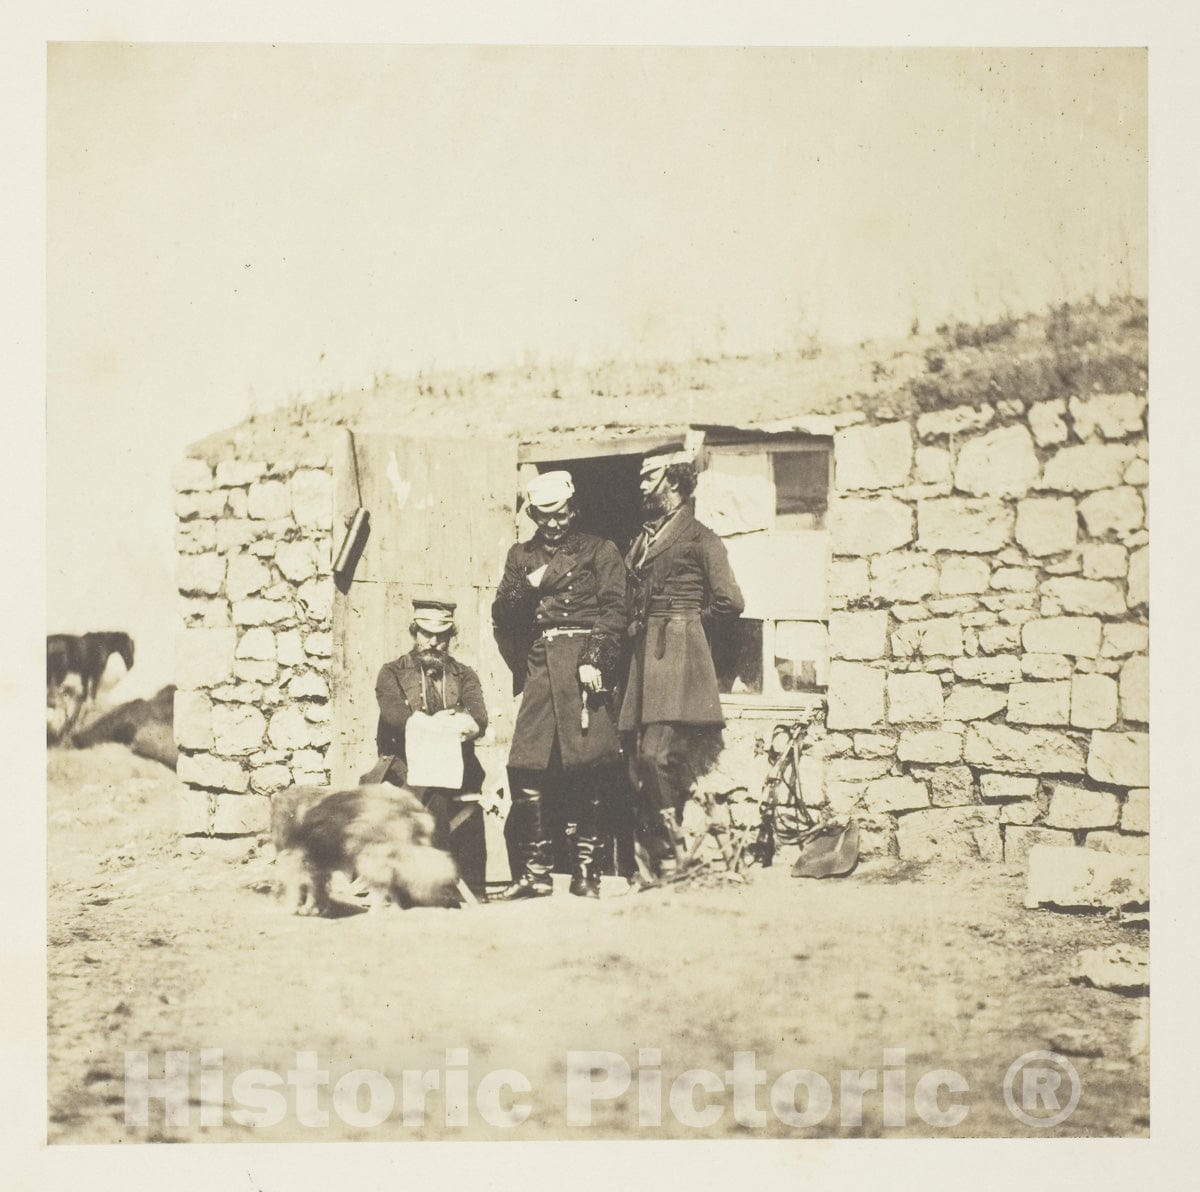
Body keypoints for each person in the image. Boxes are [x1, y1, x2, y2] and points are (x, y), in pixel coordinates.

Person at [491, 470, 626, 899]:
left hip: (585, 668)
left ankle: (588, 872)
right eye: (544, 517)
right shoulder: (520, 556)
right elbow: (503, 614)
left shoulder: (600, 550)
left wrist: (593, 659)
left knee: (589, 765)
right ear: (532, 514)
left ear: (573, 510)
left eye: (561, 515)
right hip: (541, 667)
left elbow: (614, 611)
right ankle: (536, 873)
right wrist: (531, 583)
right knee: (525, 766)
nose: (553, 524)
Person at [620, 447, 745, 880]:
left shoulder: (700, 538)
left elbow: (730, 602)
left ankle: (672, 854)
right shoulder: (644, 537)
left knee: (654, 757)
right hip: (643, 655)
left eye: (647, 477)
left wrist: (688, 626)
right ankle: (654, 859)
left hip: (675, 655)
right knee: (639, 759)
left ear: (671, 482)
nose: (639, 485)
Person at [369, 598, 489, 898]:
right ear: (414, 632)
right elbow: (396, 717)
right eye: (426, 634)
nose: (434, 642)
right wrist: (446, 724)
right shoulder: (392, 673)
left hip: (457, 770)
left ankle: (473, 889)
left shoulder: (464, 675)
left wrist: (465, 724)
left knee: (469, 804)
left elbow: (478, 719)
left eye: (442, 636)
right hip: (404, 769)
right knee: (434, 797)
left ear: (451, 637)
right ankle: (438, 889)